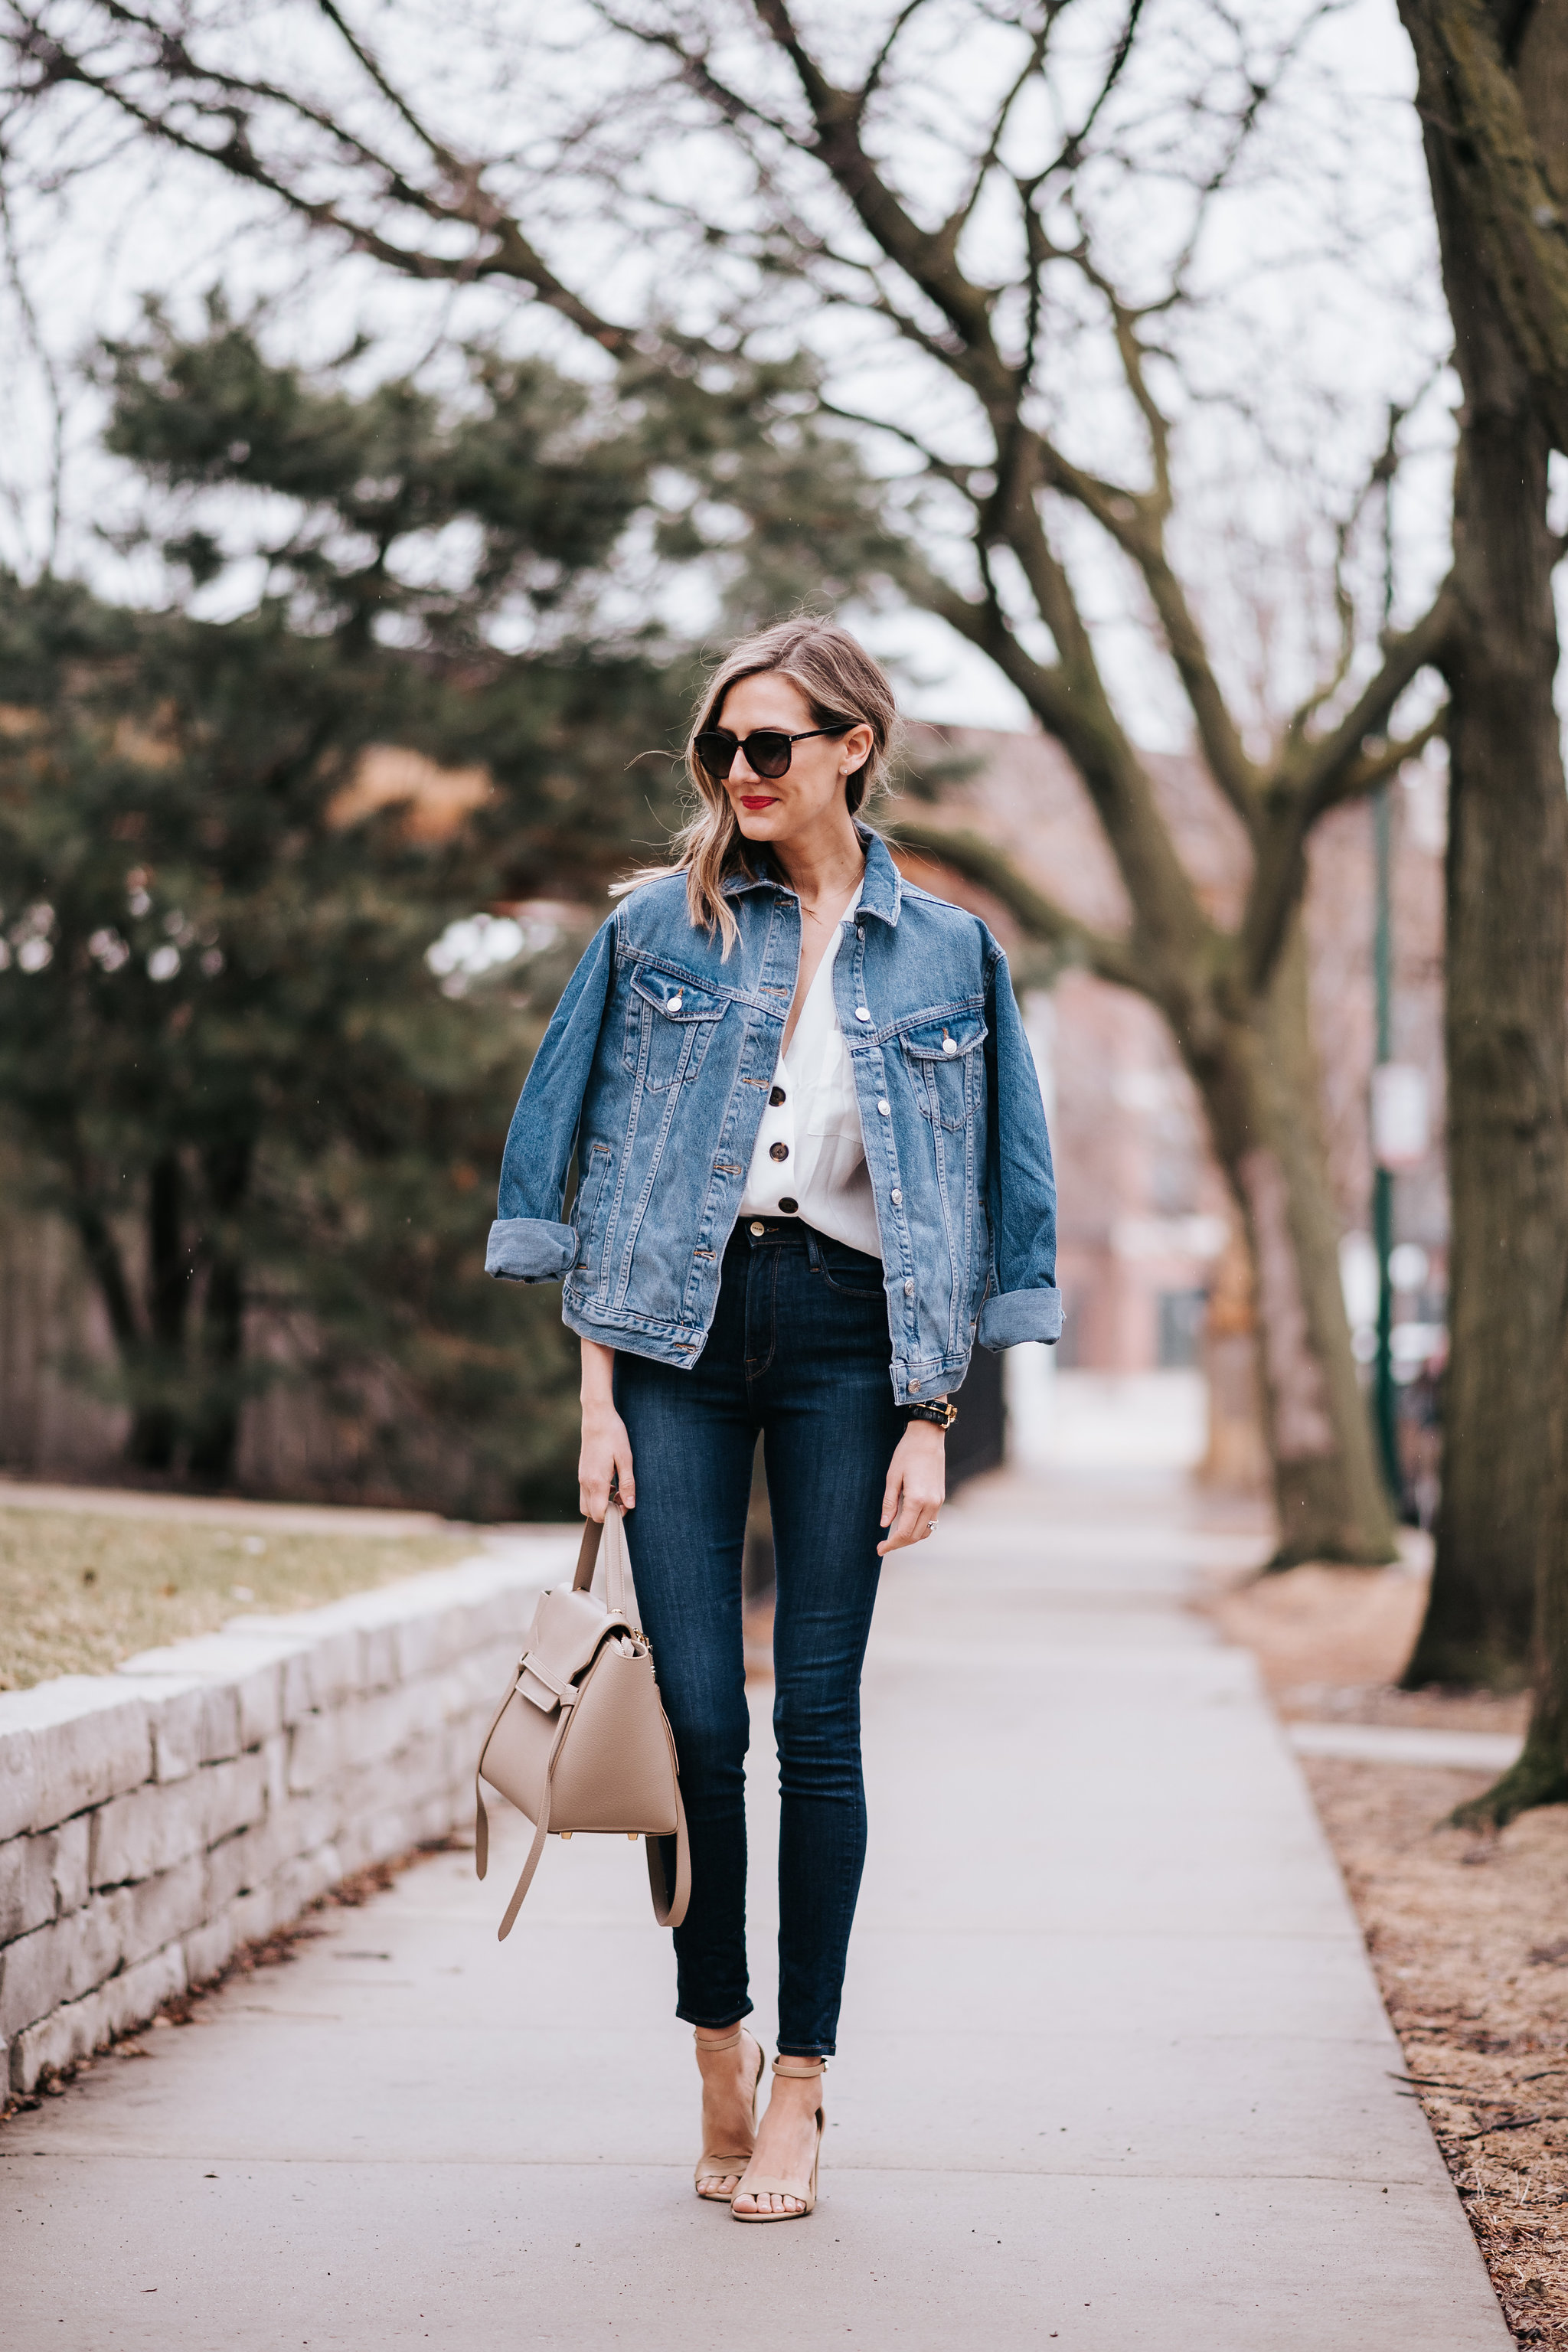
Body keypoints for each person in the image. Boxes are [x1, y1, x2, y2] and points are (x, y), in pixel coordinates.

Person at [486, 617, 1060, 2220]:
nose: (738, 774)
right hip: (668, 1340)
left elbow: (1003, 1199)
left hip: (846, 1343)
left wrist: (933, 1413)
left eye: (770, 747)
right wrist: (591, 1393)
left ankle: (803, 2081)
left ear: (850, 749)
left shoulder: (950, 952)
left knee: (815, 1722)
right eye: (720, 750)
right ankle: (712, 2038)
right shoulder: (650, 932)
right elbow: (560, 1153)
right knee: (699, 1727)